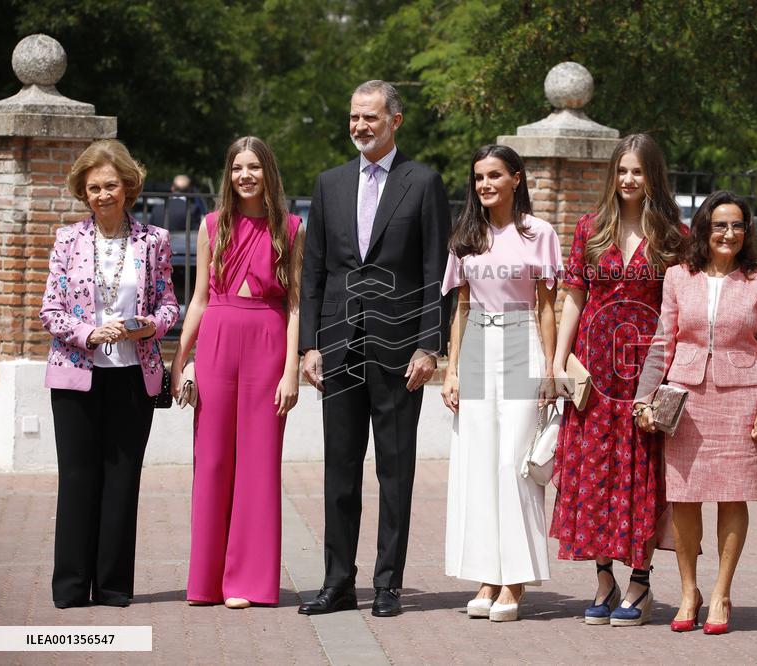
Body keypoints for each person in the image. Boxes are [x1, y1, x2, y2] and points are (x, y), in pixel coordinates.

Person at [297, 80, 451, 618]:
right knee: (339, 473)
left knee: (395, 472)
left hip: (400, 351)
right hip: (339, 349)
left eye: (371, 117)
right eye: (354, 117)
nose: (360, 126)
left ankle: (388, 585)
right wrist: (308, 345)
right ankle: (337, 583)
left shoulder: (423, 182)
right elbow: (314, 271)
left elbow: (436, 272)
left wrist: (429, 345)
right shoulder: (329, 183)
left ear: (395, 121)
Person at [634, 191, 757, 634]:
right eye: (720, 225)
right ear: (704, 228)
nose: (729, 234)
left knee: (733, 496)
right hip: (687, 402)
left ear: (747, 231)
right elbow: (663, 342)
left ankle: (720, 592)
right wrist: (644, 398)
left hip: (741, 402)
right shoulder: (678, 276)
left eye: (737, 225)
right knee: (684, 498)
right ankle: (688, 592)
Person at [551, 133, 687, 626]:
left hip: (645, 370)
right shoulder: (590, 229)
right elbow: (573, 296)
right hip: (593, 370)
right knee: (594, 473)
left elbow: (692, 296)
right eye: (622, 170)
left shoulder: (674, 236)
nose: (628, 179)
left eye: (638, 171)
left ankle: (640, 581)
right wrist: (558, 362)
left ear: (653, 177)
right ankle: (604, 578)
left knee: (641, 474)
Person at [40, 139, 179, 608]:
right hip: (76, 374)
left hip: (134, 376)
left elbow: (169, 305)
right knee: (78, 479)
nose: (103, 195)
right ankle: (71, 587)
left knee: (122, 479)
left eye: (111, 185)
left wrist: (148, 326)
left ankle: (113, 586)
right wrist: (89, 333)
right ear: (83, 192)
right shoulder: (67, 240)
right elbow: (50, 310)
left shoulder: (154, 240)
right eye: (94, 188)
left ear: (128, 187)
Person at [171, 136, 304, 608]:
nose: (245, 175)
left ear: (268, 172)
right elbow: (198, 299)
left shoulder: (291, 228)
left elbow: (294, 304)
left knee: (259, 463)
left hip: (268, 343)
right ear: (228, 175)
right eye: (237, 168)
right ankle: (207, 582)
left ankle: (248, 582)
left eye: (254, 167)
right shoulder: (212, 225)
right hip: (218, 340)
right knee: (211, 460)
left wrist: (291, 370)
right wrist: (179, 359)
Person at [440, 145, 561, 621]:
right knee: (478, 462)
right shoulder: (466, 236)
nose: (485, 185)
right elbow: (461, 307)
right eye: (478, 177)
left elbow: (548, 307)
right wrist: (452, 369)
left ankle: (515, 578)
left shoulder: (539, 233)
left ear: (516, 178)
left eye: (494, 175)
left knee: (515, 461)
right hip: (476, 345)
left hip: (521, 341)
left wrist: (550, 368)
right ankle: (487, 575)